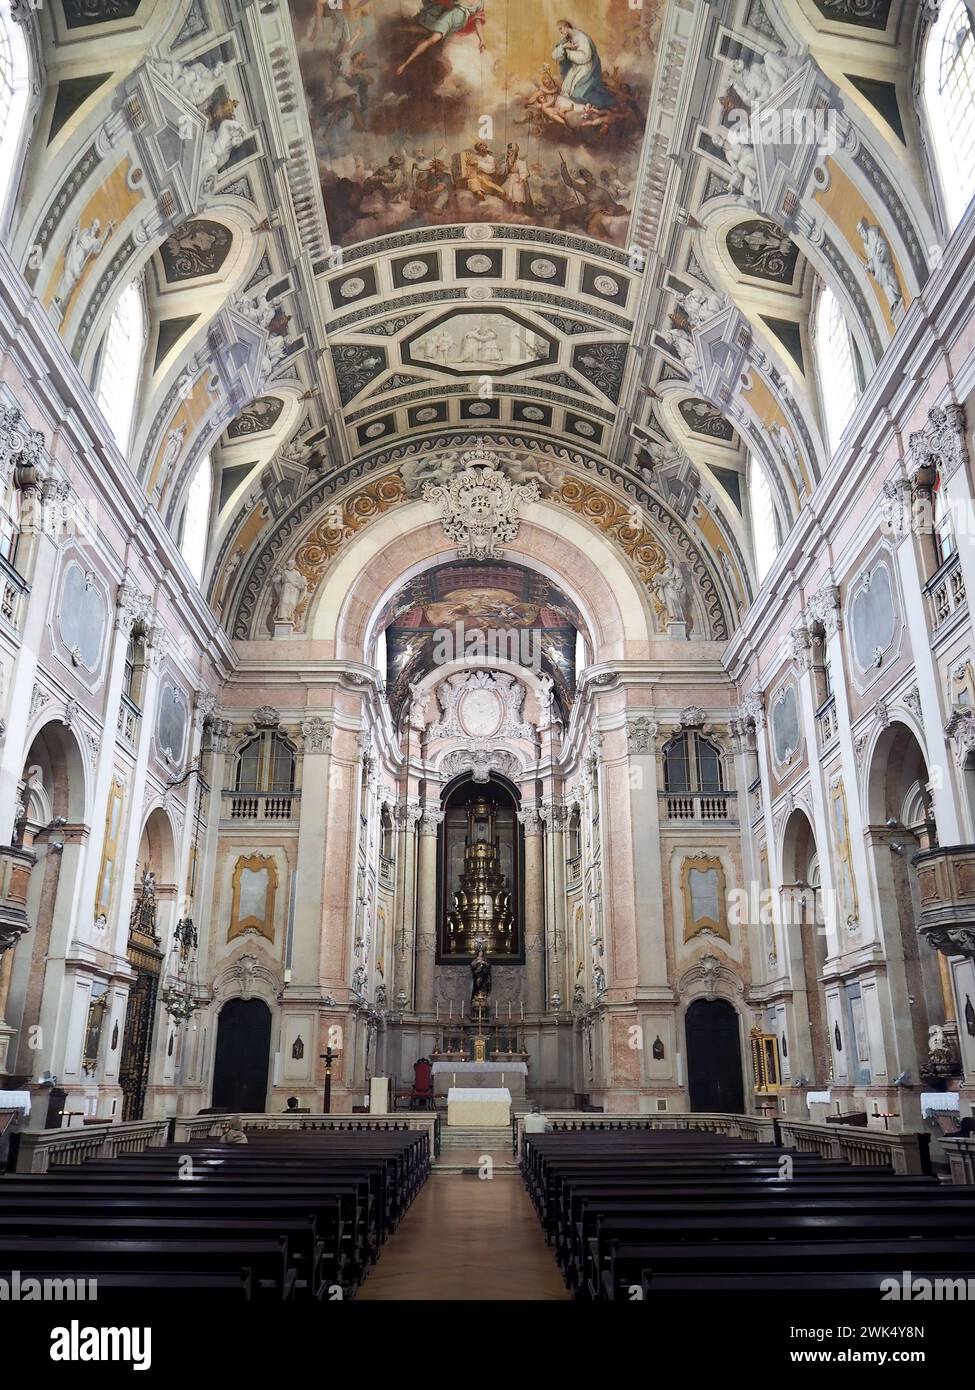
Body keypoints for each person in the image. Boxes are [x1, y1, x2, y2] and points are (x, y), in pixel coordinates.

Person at [396, 1, 486, 78]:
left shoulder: (480, 2)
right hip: (449, 18)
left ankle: (428, 61)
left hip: (458, 24)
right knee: (433, 40)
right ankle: (405, 64)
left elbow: (477, 22)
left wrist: (481, 40)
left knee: (438, 42)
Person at [552, 19, 616, 111]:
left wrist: (569, 53)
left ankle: (585, 107)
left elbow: (585, 57)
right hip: (576, 68)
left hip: (585, 68)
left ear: (566, 26)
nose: (561, 32)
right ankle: (571, 108)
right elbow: (554, 55)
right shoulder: (566, 39)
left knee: (577, 92)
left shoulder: (581, 37)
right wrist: (564, 47)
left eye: (560, 29)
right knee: (566, 89)